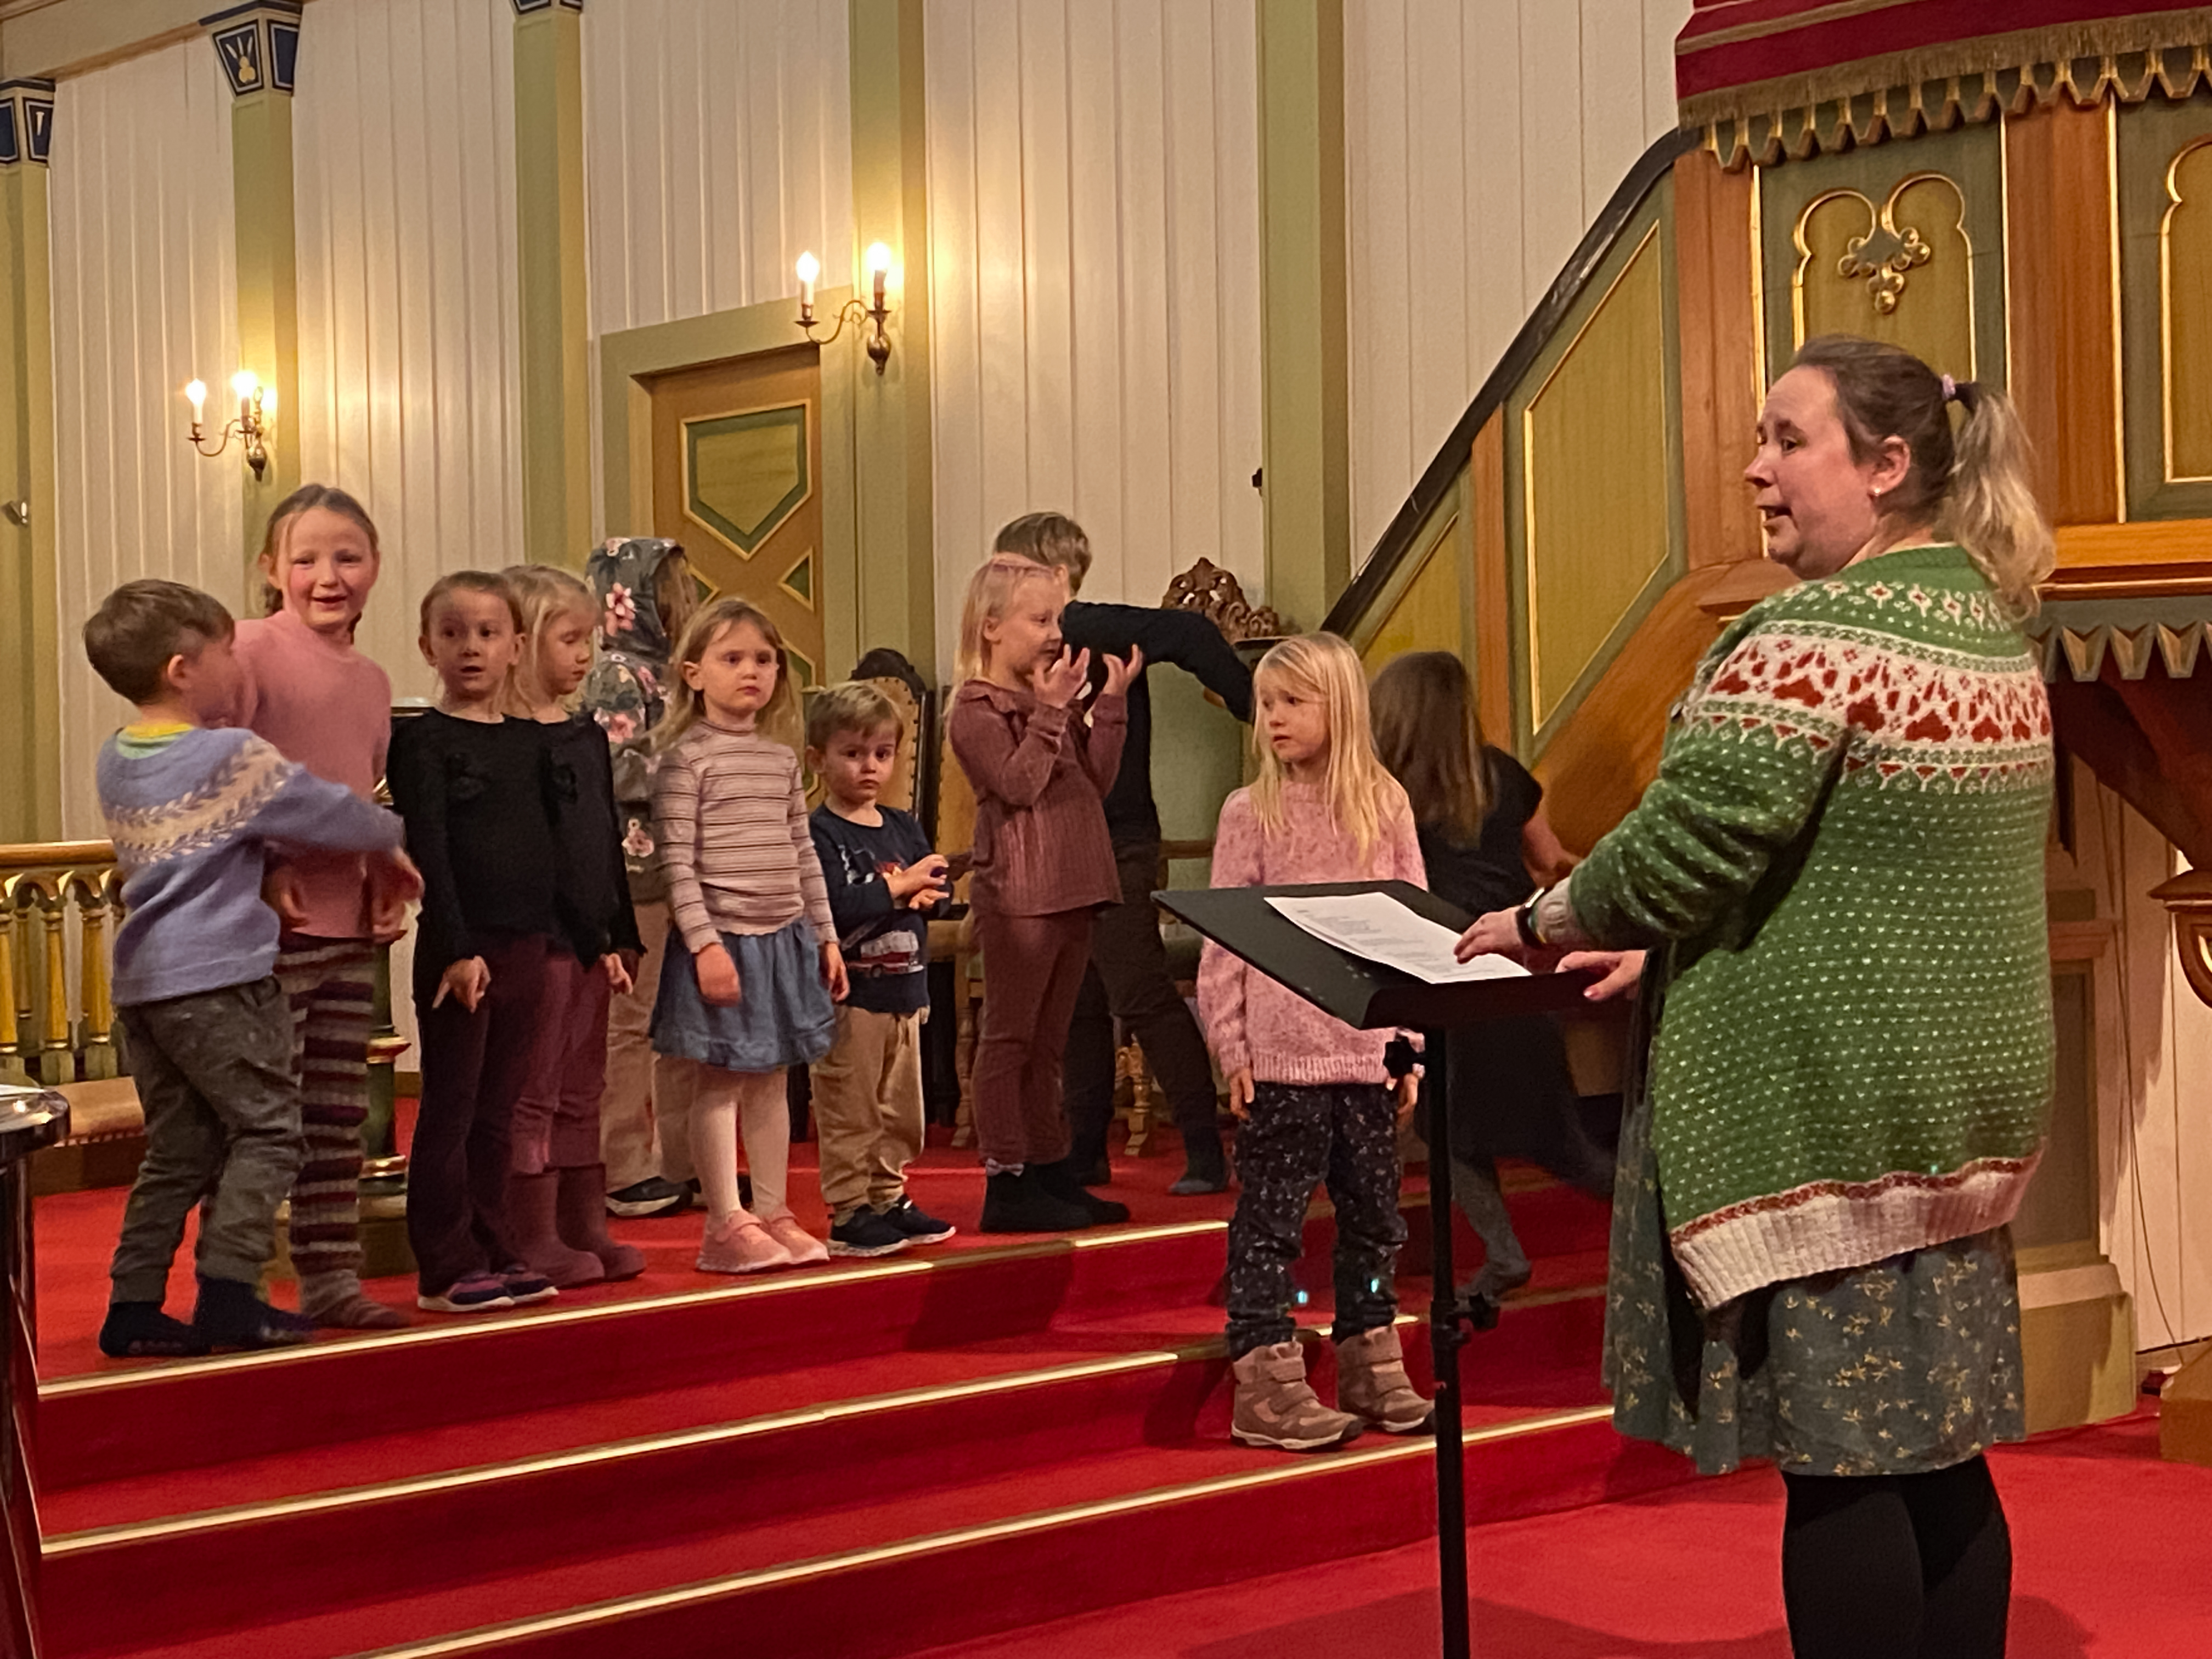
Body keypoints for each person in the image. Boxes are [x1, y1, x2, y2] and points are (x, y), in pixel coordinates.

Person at [1454, 335, 2057, 1659]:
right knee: (1938, 1459)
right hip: (1951, 1113)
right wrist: (1661, 951)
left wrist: (1549, 918)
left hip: (1831, 1119)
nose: (1755, 467)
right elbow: (1851, 863)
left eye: (1789, 440)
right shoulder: (1981, 621)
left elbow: (1689, 842)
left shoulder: (1811, 635)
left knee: (1840, 1469)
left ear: (1887, 465)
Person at [83, 580, 414, 1356]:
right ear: (181, 669)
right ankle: (231, 1293)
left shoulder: (117, 758)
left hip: (146, 985)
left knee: (179, 1150)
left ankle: (132, 1306)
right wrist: (396, 829)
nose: (240, 665)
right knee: (272, 1130)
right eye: (226, 650)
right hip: (220, 979)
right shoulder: (230, 756)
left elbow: (211, 838)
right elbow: (326, 812)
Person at [1197, 633, 1433, 1451]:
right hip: (1284, 1059)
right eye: (1266, 705)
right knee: (1272, 1222)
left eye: (1294, 702)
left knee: (1375, 1222)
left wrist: (1411, 1046)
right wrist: (1233, 1048)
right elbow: (1224, 943)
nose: (1274, 720)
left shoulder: (1384, 803)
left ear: (1342, 708)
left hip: (1367, 1056)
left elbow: (1412, 934)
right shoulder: (1248, 811)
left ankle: (1371, 1355)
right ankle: (1263, 1369)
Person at [995, 513, 1253, 1195]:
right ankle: (1086, 1150)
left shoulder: (1094, 627)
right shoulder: (1016, 647)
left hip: (1116, 838)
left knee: (1137, 989)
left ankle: (1204, 1146)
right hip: (1055, 841)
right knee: (1076, 999)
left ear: (1053, 576)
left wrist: (1252, 704)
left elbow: (1194, 632)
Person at [1369, 650, 1612, 1313]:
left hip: (1440, 971)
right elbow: (1549, 858)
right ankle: (1661, 1222)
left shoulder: (1383, 790)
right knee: (1560, 1141)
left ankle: (1505, 1251)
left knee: (1454, 1133)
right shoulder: (1501, 773)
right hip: (1515, 968)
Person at [233, 484, 419, 1329]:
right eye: (304, 559)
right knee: (259, 1118)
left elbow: (355, 791)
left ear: (376, 565)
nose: (326, 575)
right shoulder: (246, 651)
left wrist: (383, 866)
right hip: (264, 930)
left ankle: (330, 1278)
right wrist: (265, 869)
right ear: (270, 569)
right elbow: (219, 777)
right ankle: (229, 1287)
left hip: (346, 928)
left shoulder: (374, 680)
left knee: (336, 1114)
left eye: (347, 556)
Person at [650, 597, 848, 1274]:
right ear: (694, 672)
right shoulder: (685, 761)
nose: (752, 673)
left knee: (772, 1081)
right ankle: (724, 1222)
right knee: (723, 1079)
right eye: (733, 659)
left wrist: (825, 936)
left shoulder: (781, 760)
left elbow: (803, 850)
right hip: (724, 941)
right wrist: (704, 944)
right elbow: (677, 862)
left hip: (784, 937)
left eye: (764, 660)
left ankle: (772, 1209)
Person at [386, 572, 564, 1316]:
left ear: (516, 647)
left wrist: (592, 935)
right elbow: (429, 849)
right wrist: (459, 947)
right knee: (453, 1106)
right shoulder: (423, 741)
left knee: (503, 1108)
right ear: (428, 645)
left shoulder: (532, 744)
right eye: (454, 634)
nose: (471, 648)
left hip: (529, 945)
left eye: (489, 634)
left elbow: (553, 846)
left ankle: (497, 1246)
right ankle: (444, 1263)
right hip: (463, 949)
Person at [947, 556, 1139, 1233]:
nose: (1056, 632)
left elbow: (1093, 782)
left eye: (1059, 617)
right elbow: (1018, 785)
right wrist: (1053, 711)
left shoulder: (1043, 704)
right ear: (992, 627)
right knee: (1010, 1039)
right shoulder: (975, 707)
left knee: (1050, 1044)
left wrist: (1109, 707)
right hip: (1021, 893)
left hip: (1073, 883)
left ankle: (1051, 1168)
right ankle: (1007, 1177)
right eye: (1040, 619)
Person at [500, 565, 646, 1287]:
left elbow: (602, 840)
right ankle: (530, 1230)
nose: (585, 656)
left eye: (590, 639)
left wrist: (620, 932)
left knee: (586, 1080)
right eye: (570, 640)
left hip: (594, 937)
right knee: (536, 1086)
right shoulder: (503, 739)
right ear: (522, 643)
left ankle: (584, 1220)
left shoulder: (584, 734)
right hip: (539, 938)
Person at [804, 681, 960, 1257]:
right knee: (852, 1104)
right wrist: (898, 889)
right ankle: (849, 1209)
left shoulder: (900, 824)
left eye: (882, 753)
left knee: (899, 1108)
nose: (869, 766)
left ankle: (888, 1195)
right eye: (853, 753)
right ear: (818, 759)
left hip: (905, 988)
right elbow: (835, 904)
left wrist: (927, 897)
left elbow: (935, 887)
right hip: (853, 994)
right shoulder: (819, 832)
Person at [583, 538, 702, 1220]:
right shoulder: (620, 676)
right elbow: (614, 770)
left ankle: (682, 1159)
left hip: (684, 859)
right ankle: (623, 1165)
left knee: (683, 1018)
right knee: (632, 1019)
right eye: (669, 589)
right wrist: (689, 774)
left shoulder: (675, 672)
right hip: (638, 863)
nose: (682, 601)